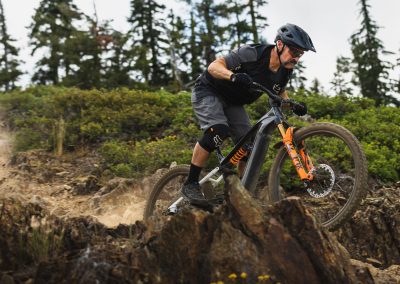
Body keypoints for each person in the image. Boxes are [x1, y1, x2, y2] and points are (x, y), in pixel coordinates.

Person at [182, 23, 316, 206]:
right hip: (209, 90)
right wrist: (233, 76)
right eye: (293, 51)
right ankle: (191, 182)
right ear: (279, 45)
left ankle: (237, 193)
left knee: (249, 146)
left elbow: (280, 93)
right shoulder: (252, 53)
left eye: (300, 54)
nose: (296, 58)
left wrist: (292, 105)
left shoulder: (285, 71)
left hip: (234, 103)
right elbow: (214, 67)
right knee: (218, 130)